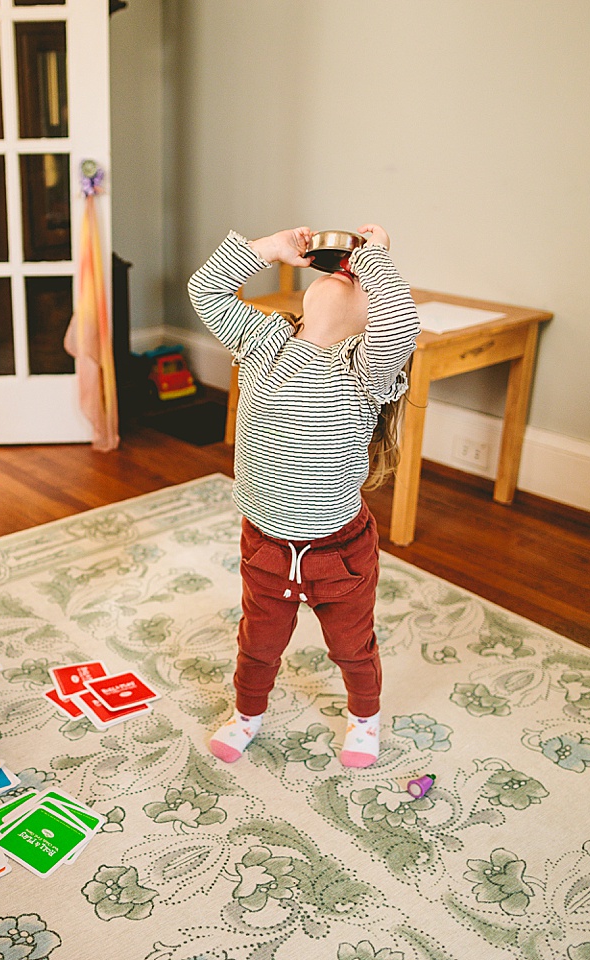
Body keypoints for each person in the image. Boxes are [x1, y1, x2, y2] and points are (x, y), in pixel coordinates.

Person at [188, 225, 420, 769]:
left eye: (358, 281)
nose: (346, 275)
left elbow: (401, 323)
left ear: (367, 319)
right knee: (257, 644)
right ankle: (247, 715)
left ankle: (365, 718)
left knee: (351, 646)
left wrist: (373, 257)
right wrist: (269, 250)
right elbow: (207, 291)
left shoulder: (364, 370)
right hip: (265, 545)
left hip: (338, 553)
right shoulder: (265, 342)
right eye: (343, 271)